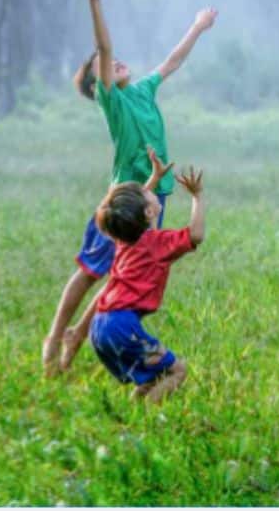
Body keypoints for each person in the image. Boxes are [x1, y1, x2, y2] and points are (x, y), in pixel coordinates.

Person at [42, 0, 217, 376]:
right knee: (90, 270)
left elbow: (171, 62)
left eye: (119, 61)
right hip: (124, 199)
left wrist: (197, 27)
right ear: (96, 84)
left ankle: (79, 335)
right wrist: (95, 1)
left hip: (155, 195)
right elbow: (103, 48)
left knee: (127, 269)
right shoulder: (113, 102)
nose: (117, 62)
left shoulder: (141, 90)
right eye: (106, 66)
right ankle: (56, 336)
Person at [90, 155, 205, 403]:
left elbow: (129, 207)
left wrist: (154, 178)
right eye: (148, 195)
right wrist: (197, 196)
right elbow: (195, 235)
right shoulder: (157, 244)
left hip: (100, 325)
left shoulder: (124, 239)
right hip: (121, 326)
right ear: (149, 211)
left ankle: (133, 415)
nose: (149, 192)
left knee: (155, 375)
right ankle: (147, 420)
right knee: (177, 370)